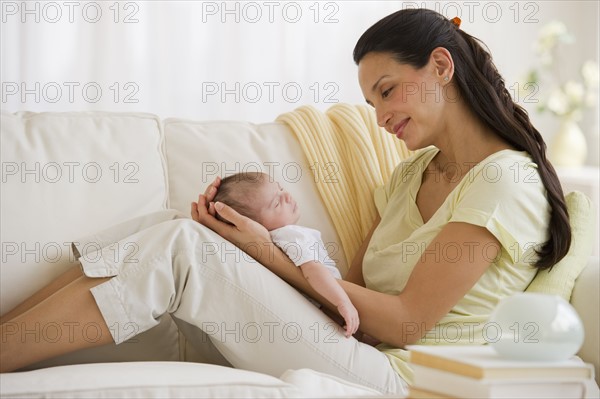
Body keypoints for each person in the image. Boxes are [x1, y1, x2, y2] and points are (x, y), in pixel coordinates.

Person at [0, 8, 571, 395]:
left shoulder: (505, 181)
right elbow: (348, 291)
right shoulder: (412, 174)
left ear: (441, 67)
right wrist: (244, 247)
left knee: (180, 248)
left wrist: (266, 258)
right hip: (354, 344)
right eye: (371, 103)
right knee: (174, 225)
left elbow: (406, 324)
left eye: (387, 92)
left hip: (403, 377)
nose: (380, 118)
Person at [212, 171, 359, 337]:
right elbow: (313, 271)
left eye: (281, 189)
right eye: (276, 203)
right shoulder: (291, 235)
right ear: (252, 223)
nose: (287, 196)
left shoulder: (267, 243)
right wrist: (342, 302)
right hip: (328, 308)